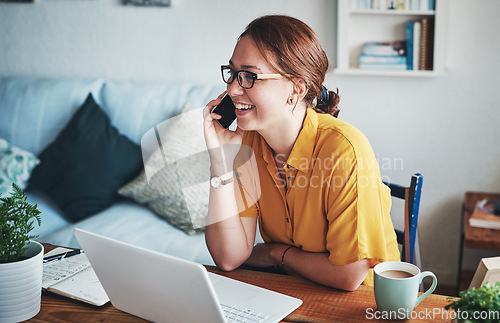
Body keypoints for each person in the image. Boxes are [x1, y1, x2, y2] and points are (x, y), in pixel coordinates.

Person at [202, 15, 399, 291]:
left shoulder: (345, 150)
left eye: (249, 76)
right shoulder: (247, 145)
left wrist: (276, 254)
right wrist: (219, 162)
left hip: (358, 305)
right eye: (232, 73)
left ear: (296, 88)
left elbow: (349, 275)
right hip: (289, 291)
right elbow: (228, 257)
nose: (232, 88)